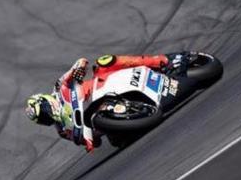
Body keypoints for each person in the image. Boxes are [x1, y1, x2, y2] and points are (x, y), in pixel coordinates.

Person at [25, 53, 188, 152]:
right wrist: (87, 140)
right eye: (43, 120)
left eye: (43, 112)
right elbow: (94, 142)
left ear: (45, 100)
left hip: (102, 88)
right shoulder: (62, 130)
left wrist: (79, 70)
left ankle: (163, 61)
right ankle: (136, 111)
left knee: (104, 61)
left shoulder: (59, 88)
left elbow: (80, 63)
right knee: (119, 142)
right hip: (106, 117)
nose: (47, 117)